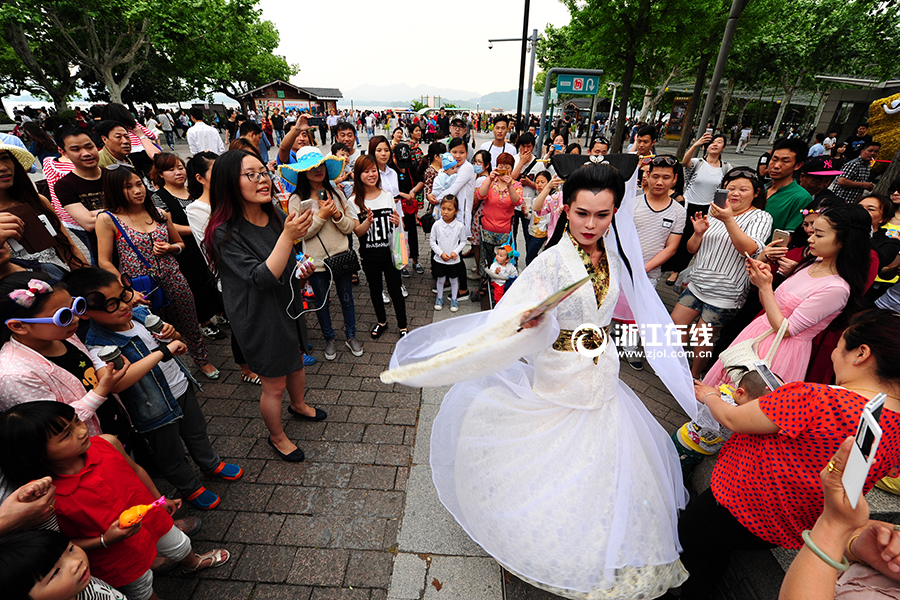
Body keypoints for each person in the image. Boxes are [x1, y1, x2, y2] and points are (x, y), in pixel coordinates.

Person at [381, 158, 698, 599]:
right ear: (565, 208)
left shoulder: (618, 256)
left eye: (602, 215)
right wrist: (530, 324)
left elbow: (632, 310)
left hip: (602, 372)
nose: (591, 223)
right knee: (554, 455)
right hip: (559, 376)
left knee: (604, 455)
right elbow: (505, 321)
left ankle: (602, 531)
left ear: (615, 213)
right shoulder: (549, 263)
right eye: (582, 212)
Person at [678, 308, 900, 599]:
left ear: (861, 354)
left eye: (838, 347)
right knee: (715, 555)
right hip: (788, 526)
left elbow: (733, 419)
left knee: (690, 543)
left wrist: (709, 395)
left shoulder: (814, 397)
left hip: (737, 504)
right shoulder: (894, 427)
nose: (834, 356)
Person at [0, 402, 231, 600]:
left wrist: (158, 499)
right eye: (66, 435)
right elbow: (62, 542)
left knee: (178, 543)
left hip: (152, 519)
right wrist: (104, 539)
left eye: (77, 421)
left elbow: (136, 471)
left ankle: (192, 564)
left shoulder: (106, 443)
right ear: (35, 454)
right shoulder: (45, 497)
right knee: (141, 586)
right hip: (116, 552)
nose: (81, 432)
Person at [204, 150, 324, 463]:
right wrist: (288, 237)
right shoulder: (223, 232)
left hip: (287, 302)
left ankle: (298, 405)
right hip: (257, 314)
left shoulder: (273, 215)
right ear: (230, 182)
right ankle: (277, 436)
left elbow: (285, 262)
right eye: (251, 174)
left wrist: (299, 269)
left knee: (296, 360)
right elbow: (260, 277)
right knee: (273, 383)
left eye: (263, 172)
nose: (262, 180)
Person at [704, 203, 870, 388]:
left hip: (780, 352)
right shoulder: (813, 263)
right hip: (758, 333)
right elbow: (771, 306)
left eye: (819, 235)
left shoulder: (837, 288)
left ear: (844, 241)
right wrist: (763, 281)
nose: (810, 239)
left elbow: (786, 330)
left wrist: (766, 287)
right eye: (812, 232)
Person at [94, 165, 219, 379]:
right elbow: (104, 261)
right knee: (156, 329)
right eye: (128, 187)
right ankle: (171, 367)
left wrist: (171, 248)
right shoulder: (107, 219)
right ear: (115, 190)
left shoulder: (160, 213)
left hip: (173, 278)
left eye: (139, 184)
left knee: (190, 321)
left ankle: (202, 360)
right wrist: (126, 291)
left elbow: (180, 244)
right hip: (139, 286)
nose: (137, 190)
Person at [670, 167, 773, 378]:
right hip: (698, 285)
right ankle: (675, 366)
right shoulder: (716, 211)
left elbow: (749, 249)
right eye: (731, 188)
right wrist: (698, 233)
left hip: (725, 294)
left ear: (755, 193)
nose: (735, 193)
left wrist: (728, 219)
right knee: (675, 324)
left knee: (702, 338)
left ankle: (695, 375)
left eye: (743, 189)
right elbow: (692, 249)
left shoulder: (761, 217)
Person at [0, 272, 127, 437]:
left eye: (75, 306)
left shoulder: (64, 335)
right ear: (18, 326)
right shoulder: (15, 376)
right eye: (63, 316)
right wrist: (101, 391)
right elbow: (55, 428)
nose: (76, 319)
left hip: (114, 427)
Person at [182, 152, 262, 385]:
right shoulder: (197, 209)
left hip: (252, 268)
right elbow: (219, 242)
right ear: (200, 178)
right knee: (240, 324)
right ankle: (246, 369)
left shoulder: (230, 197)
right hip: (228, 274)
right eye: (215, 172)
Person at [282, 148, 363, 360]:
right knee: (321, 301)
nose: (318, 171)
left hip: (341, 256)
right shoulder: (296, 199)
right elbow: (300, 234)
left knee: (347, 299)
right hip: (316, 262)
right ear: (302, 172)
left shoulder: (336, 193)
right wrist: (321, 216)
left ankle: (351, 335)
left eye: (321, 166)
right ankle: (329, 339)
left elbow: (348, 228)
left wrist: (335, 214)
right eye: (311, 168)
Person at [149, 153, 226, 341]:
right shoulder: (159, 197)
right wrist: (198, 228)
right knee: (196, 284)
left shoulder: (195, 189)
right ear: (160, 174)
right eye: (171, 169)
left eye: (180, 167)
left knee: (213, 279)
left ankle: (223, 313)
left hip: (207, 244)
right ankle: (205, 322)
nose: (178, 172)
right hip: (185, 249)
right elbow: (166, 224)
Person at [0, 146, 86, 278]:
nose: (3, 167)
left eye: (5, 158)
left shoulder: (37, 201)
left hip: (63, 285)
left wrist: (91, 284)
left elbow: (69, 249)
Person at [351, 155, 408, 338]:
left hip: (390, 254)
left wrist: (398, 221)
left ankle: (403, 326)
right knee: (375, 290)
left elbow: (396, 226)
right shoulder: (354, 202)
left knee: (395, 290)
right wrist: (367, 222)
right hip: (369, 255)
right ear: (358, 175)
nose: (371, 174)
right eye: (366, 171)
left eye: (373, 170)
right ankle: (381, 322)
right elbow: (358, 232)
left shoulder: (387, 196)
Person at [664, 133, 732, 285]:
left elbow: (727, 188)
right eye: (712, 142)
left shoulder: (726, 168)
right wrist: (696, 144)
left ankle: (680, 269)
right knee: (681, 237)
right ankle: (673, 269)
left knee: (697, 240)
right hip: (688, 204)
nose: (714, 144)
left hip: (708, 209)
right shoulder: (698, 162)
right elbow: (684, 162)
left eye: (719, 142)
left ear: (724, 147)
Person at [476, 152, 522, 290]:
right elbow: (480, 194)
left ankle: (500, 283)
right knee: (487, 256)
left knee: (503, 258)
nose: (504, 169)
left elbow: (517, 201)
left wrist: (509, 186)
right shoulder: (491, 182)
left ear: (512, 169)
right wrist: (490, 179)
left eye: (507, 167)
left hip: (505, 230)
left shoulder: (516, 185)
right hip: (487, 227)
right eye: (501, 166)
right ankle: (485, 281)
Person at [764, 138, 812, 233]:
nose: (776, 165)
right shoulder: (760, 189)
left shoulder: (801, 197)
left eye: (785, 161)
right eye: (774, 159)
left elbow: (788, 236)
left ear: (798, 165)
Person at [430, 196, 467, 312]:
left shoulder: (459, 226)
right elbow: (432, 241)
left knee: (453, 279)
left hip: (453, 260)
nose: (445, 212)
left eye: (449, 209)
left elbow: (463, 241)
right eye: (443, 208)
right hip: (440, 259)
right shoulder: (436, 225)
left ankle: (454, 299)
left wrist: (455, 252)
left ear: (456, 211)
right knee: (440, 279)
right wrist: (440, 253)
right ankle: (439, 298)